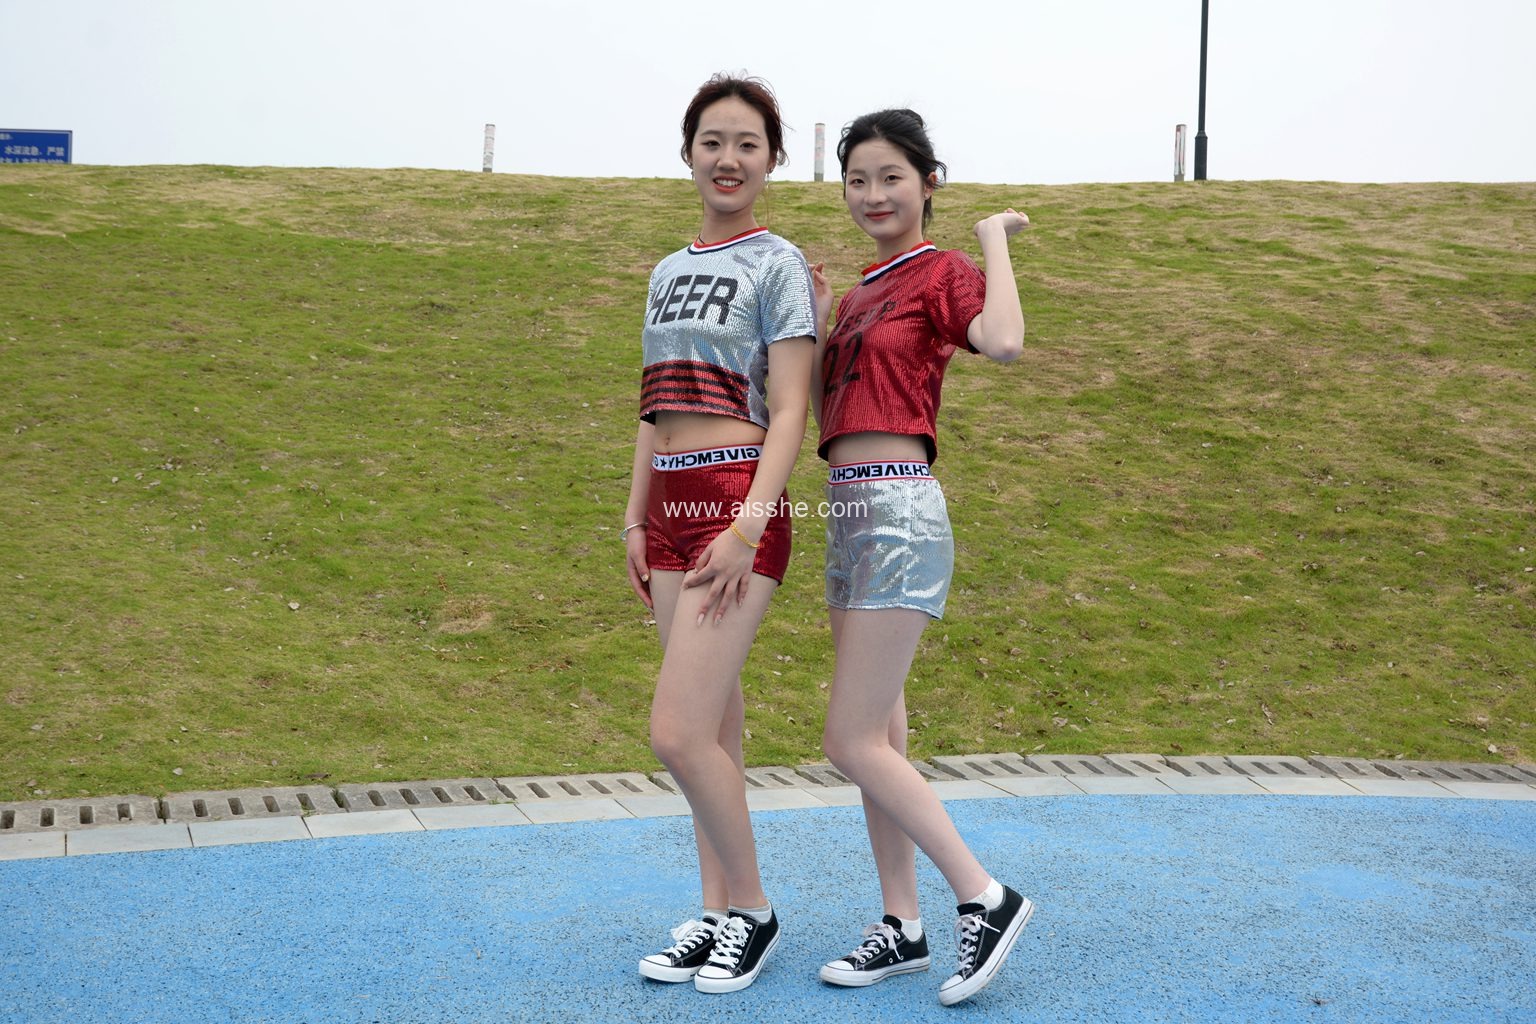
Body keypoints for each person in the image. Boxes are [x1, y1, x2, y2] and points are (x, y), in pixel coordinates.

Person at [809, 108, 1034, 1007]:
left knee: (848, 740)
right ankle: (901, 925)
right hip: (845, 511)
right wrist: (817, 320)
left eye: (890, 177)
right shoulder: (858, 292)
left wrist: (990, 240)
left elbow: (1004, 341)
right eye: (857, 180)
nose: (873, 194)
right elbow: (825, 406)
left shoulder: (941, 270)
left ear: (927, 181)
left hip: (898, 507)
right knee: (882, 734)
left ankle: (985, 895)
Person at [623, 73, 815, 995]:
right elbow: (651, 407)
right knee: (714, 729)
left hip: (735, 499)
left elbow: (791, 409)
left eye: (747, 143)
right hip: (667, 504)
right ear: (687, 153)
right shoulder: (665, 270)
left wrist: (747, 524)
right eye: (712, 141)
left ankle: (754, 910)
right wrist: (635, 513)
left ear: (772, 159)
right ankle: (715, 912)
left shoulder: (780, 264)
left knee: (676, 730)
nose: (728, 158)